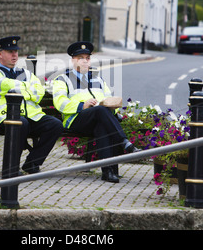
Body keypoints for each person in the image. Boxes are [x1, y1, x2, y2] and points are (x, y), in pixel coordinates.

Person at [52, 41, 140, 183]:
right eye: (81, 58)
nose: (85, 61)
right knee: (100, 112)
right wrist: (82, 105)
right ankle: (124, 142)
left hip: (97, 118)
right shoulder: (62, 79)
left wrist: (113, 105)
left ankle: (107, 171)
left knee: (102, 125)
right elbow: (60, 103)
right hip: (75, 120)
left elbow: (108, 98)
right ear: (73, 60)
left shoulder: (98, 79)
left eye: (88, 58)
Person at [0, 36, 63, 174]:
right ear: (0, 53)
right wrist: (28, 88)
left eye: (16, 51)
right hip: (5, 117)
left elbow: (39, 92)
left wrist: (22, 89)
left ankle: (32, 163)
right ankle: (11, 167)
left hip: (32, 117)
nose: (14, 55)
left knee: (55, 125)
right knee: (21, 123)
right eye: (10, 52)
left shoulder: (26, 73)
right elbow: (9, 86)